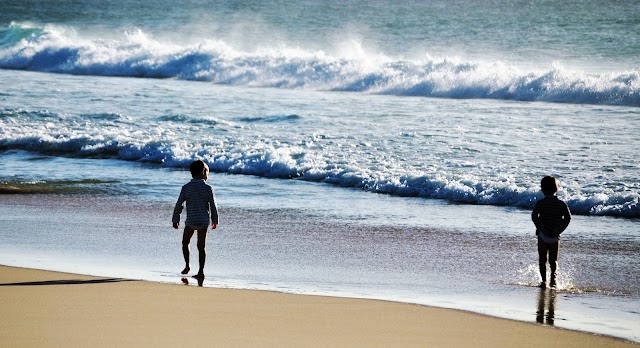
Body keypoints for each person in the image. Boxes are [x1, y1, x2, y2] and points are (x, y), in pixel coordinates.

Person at [172, 160, 219, 280]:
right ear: (204, 172)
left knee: (185, 242)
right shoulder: (208, 188)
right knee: (201, 247)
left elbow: (179, 204)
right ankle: (201, 271)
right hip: (203, 221)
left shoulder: (186, 187)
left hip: (191, 221)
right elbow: (213, 205)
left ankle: (187, 265)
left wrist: (175, 218)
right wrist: (215, 219)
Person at [531, 176, 571, 289]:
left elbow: (534, 216)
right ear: (556, 189)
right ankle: (553, 280)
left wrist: (540, 227)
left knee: (542, 260)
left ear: (542, 190)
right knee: (553, 261)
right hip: (555, 236)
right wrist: (559, 230)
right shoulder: (561, 204)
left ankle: (544, 281)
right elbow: (567, 218)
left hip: (543, 235)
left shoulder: (540, 203)